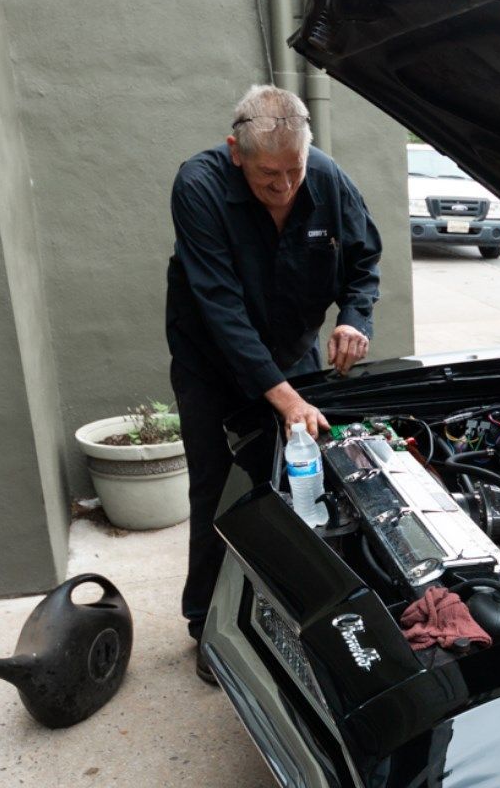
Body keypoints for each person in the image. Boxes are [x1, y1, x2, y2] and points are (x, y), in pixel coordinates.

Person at [166, 85, 381, 683]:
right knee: (218, 487)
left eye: (295, 170)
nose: (285, 186)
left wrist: (353, 319)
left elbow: (365, 262)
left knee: (297, 481)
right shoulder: (199, 186)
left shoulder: (328, 178)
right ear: (236, 151)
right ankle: (204, 621)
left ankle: (293, 606)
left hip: (293, 351)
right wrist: (285, 399)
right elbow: (220, 308)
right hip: (212, 360)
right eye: (268, 175)